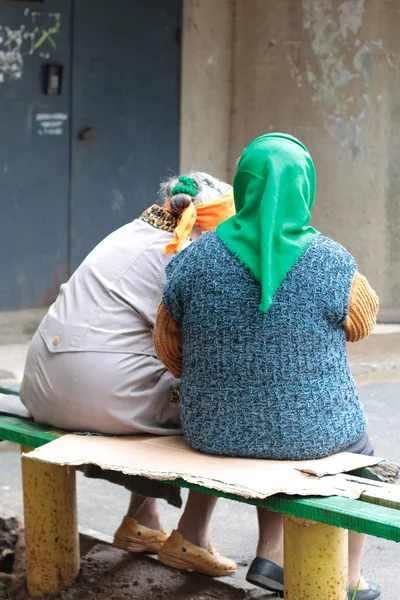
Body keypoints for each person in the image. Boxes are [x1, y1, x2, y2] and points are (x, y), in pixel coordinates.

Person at [154, 134, 380, 600]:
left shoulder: (196, 257)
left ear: (244, 186)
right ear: (305, 188)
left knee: (261, 421)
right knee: (359, 455)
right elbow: (361, 325)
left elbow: (168, 348)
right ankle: (349, 579)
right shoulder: (333, 261)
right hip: (315, 435)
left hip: (212, 430)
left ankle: (251, 548)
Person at [20, 172, 237, 577]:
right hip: (95, 392)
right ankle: (192, 535)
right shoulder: (188, 252)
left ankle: (143, 522)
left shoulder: (131, 231)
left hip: (42, 385)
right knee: (225, 404)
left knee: (155, 374)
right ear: (211, 224)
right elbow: (206, 351)